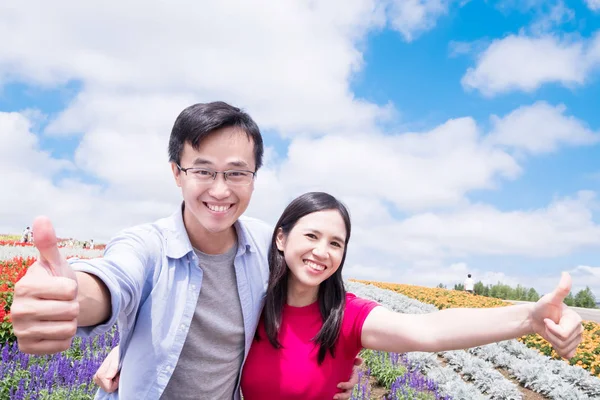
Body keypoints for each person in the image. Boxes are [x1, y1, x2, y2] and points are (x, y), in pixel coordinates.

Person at [10, 102, 359, 399]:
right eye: (203, 171)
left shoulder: (267, 246)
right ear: (177, 173)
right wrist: (70, 298)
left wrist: (334, 364)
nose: (220, 190)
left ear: (254, 177)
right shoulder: (147, 245)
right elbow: (113, 279)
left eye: (236, 173)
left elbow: (311, 297)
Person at [96, 192, 584, 399]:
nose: (322, 252)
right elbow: (185, 312)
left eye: (336, 243)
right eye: (311, 236)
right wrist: (129, 348)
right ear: (281, 238)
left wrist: (528, 316)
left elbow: (429, 330)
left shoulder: (348, 317)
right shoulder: (252, 294)